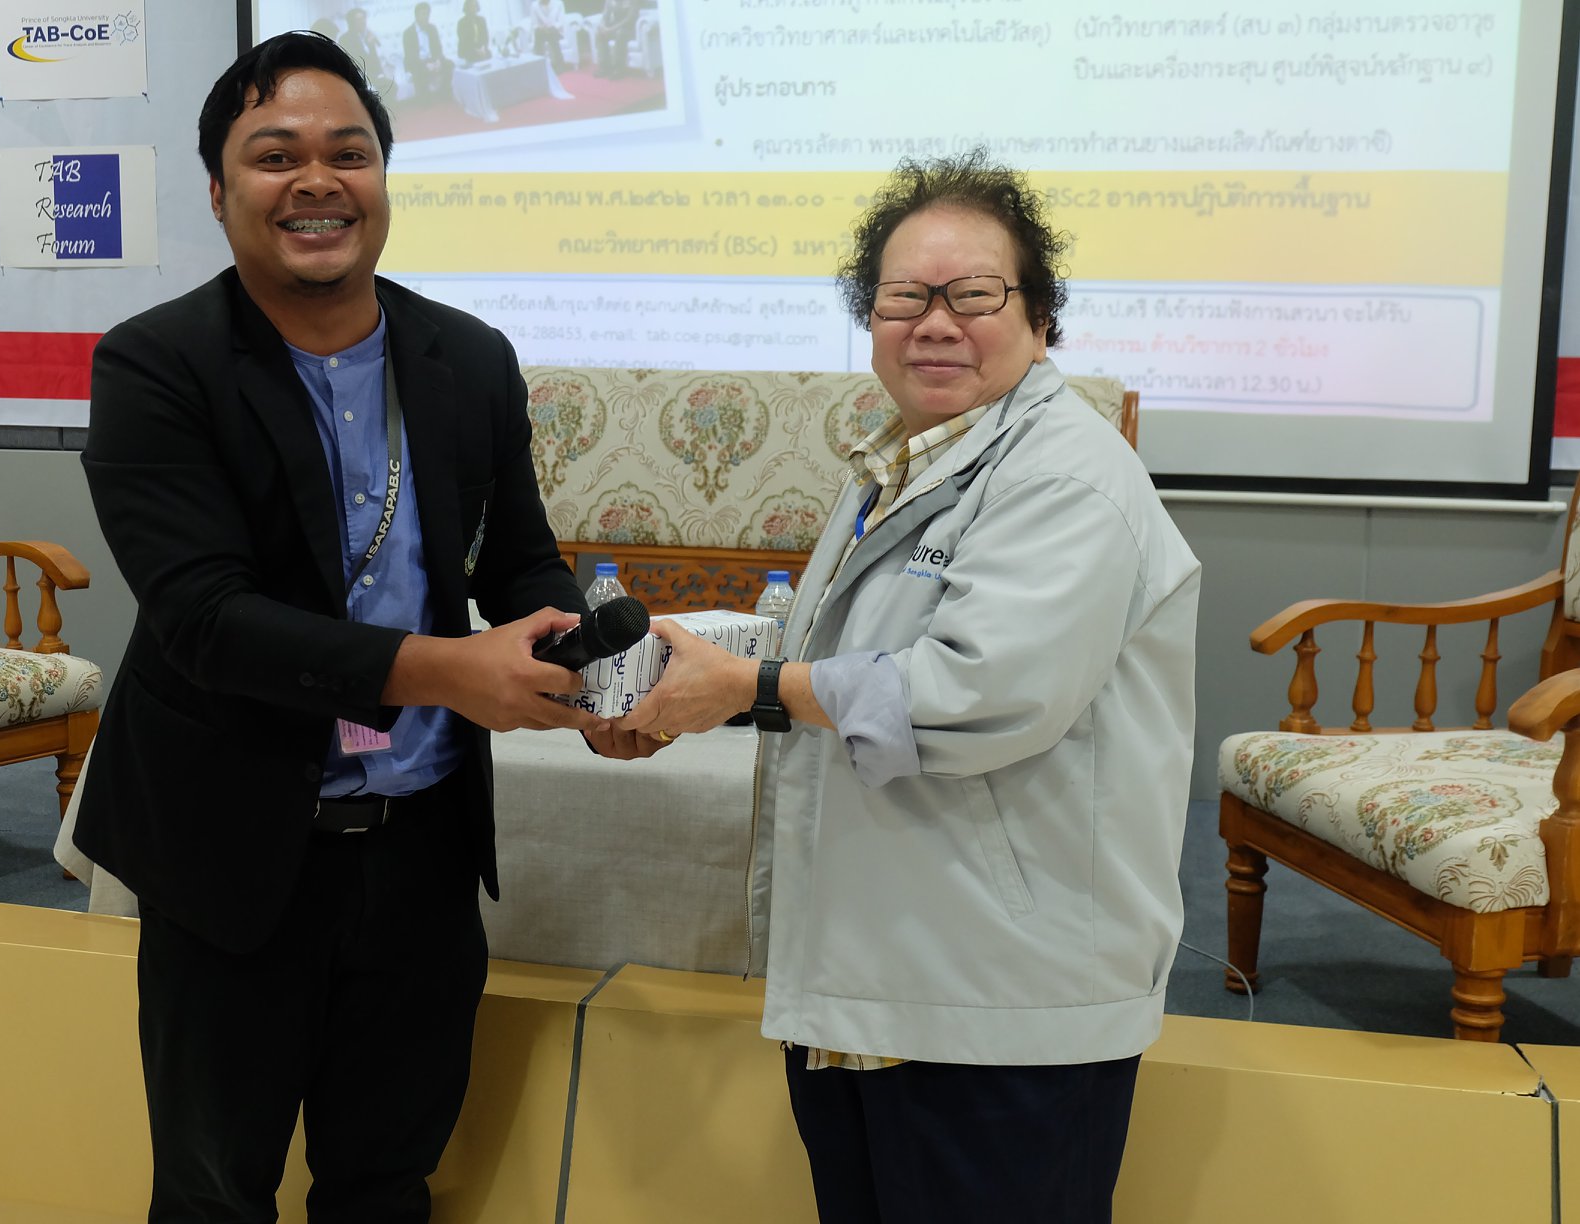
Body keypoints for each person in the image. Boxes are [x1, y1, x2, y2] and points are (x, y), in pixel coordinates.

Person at [75, 30, 648, 1223]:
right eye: (275, 155)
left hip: (421, 847)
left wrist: (591, 670)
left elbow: (517, 559)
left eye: (349, 153)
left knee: (387, 1184)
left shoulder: (467, 358)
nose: (317, 182)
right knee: (214, 1192)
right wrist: (449, 672)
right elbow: (205, 620)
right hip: (233, 849)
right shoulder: (158, 366)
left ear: (384, 178)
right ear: (219, 190)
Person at [617, 151, 1200, 1222]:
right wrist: (681, 678)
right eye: (903, 298)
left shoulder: (1066, 477)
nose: (935, 323)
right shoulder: (902, 459)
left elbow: (976, 694)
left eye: (973, 295)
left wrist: (747, 688)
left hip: (997, 1008)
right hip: (879, 983)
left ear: (1041, 318)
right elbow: (841, 647)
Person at [338, 6, 396, 100]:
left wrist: (380, 73)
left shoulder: (368, 35)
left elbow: (375, 59)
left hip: (373, 76)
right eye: (358, 20)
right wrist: (369, 45)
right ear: (351, 22)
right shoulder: (345, 38)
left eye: (363, 18)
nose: (363, 22)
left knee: (391, 86)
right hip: (358, 78)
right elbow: (358, 60)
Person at [401, 1, 453, 102]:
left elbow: (438, 48)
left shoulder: (432, 28)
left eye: (427, 14)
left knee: (449, 64)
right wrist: (426, 64)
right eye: (423, 14)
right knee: (420, 71)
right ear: (416, 15)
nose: (426, 17)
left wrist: (438, 61)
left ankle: (445, 93)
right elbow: (410, 56)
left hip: (432, 59)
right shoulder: (408, 33)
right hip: (417, 62)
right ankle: (424, 98)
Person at [592, 0, 638, 78]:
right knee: (600, 34)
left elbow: (629, 19)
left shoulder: (632, 1)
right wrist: (603, 26)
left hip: (629, 29)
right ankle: (604, 67)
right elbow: (605, 16)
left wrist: (611, 29)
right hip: (615, 28)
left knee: (620, 34)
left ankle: (619, 69)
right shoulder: (610, 1)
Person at [530, 0, 566, 72]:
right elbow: (534, 24)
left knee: (552, 34)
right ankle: (539, 66)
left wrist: (552, 27)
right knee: (538, 34)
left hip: (555, 30)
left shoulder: (558, 3)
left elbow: (561, 21)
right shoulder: (534, 5)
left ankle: (559, 66)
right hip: (542, 31)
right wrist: (541, 27)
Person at [455, 0, 490, 65]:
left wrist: (483, 48)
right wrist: (476, 50)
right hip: (467, 49)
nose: (474, 8)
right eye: (471, 6)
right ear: (467, 8)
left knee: (489, 54)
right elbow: (464, 41)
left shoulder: (482, 20)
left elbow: (485, 37)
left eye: (475, 6)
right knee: (474, 57)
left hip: (480, 48)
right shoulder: (461, 22)